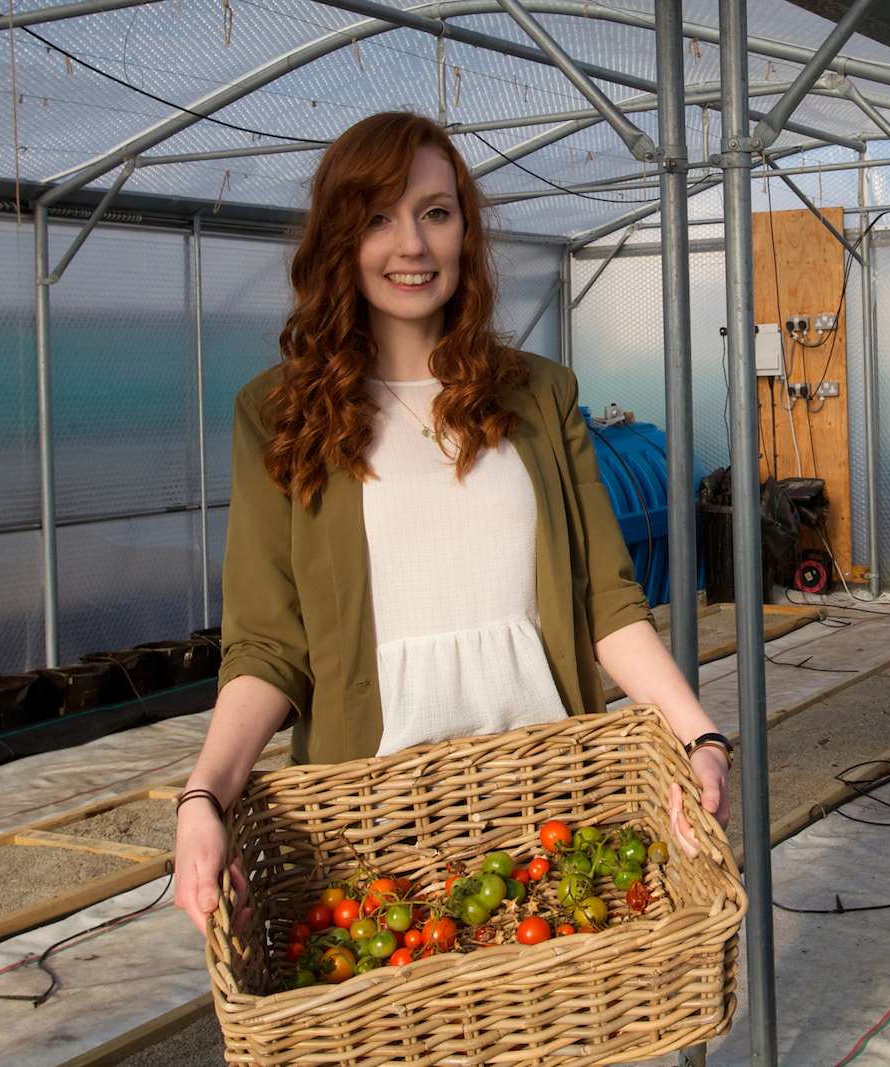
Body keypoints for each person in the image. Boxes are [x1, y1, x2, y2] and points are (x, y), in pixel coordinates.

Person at [173, 112, 729, 935]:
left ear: (466, 231)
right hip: (373, 827)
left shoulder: (538, 395)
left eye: (435, 212)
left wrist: (701, 737)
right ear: (339, 239)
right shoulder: (280, 415)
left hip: (546, 806)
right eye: (377, 217)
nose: (412, 245)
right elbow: (267, 645)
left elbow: (608, 604)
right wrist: (203, 795)